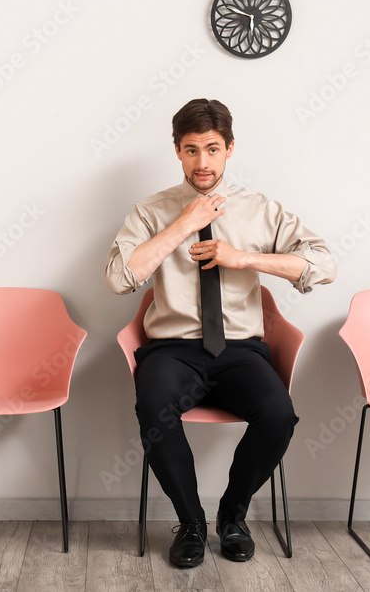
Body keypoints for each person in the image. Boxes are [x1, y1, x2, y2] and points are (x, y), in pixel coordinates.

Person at [105, 98, 336, 568]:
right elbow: (118, 278)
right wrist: (184, 224)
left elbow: (324, 264)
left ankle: (233, 515)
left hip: (240, 351)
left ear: (230, 148)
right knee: (154, 407)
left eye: (212, 149)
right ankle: (190, 523)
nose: (203, 162)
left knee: (278, 414)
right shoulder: (151, 210)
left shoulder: (259, 209)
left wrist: (245, 259)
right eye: (191, 150)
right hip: (172, 352)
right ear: (177, 152)